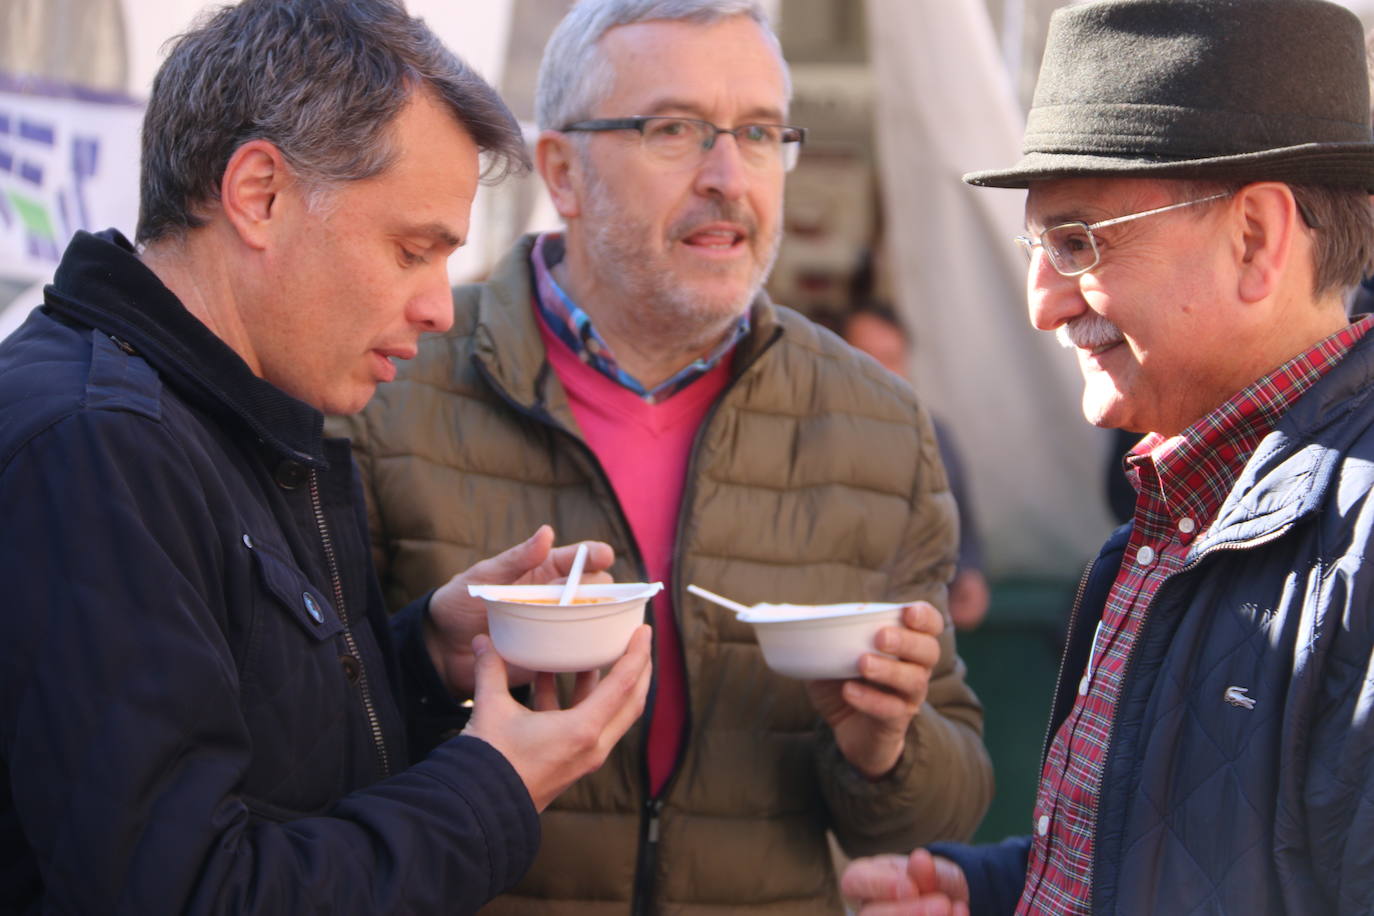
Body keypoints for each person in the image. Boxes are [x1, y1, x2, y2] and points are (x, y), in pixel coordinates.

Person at [335, 0, 993, 912]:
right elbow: (311, 751)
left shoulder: (877, 420)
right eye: (674, 129)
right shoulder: (391, 387)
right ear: (561, 170)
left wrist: (884, 747)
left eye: (760, 133)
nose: (729, 176)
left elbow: (947, 797)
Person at [0, 1, 656, 912]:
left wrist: (424, 653)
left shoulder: (225, 415)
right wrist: (494, 785)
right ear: (259, 194)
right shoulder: (100, 445)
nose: (439, 307)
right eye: (411, 250)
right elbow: (186, 891)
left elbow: (246, 743)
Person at [841, 0, 1374, 913]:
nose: (1041, 304)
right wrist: (1005, 887)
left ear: (1255, 239)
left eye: (1077, 241)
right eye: (1036, 245)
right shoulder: (1179, 497)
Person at [837, 301, 992, 631]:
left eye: (891, 359)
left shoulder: (933, 434)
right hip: (841, 619)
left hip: (924, 618)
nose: (880, 373)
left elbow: (963, 522)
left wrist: (970, 573)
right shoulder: (812, 438)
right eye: (864, 358)